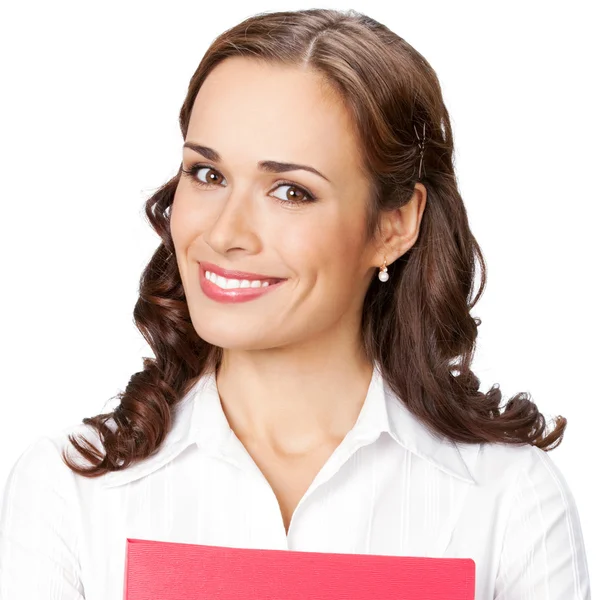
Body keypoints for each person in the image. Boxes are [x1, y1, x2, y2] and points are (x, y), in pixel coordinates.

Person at [0, 7, 591, 599]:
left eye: (291, 191)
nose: (227, 233)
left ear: (393, 224)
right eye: (207, 174)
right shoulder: (70, 489)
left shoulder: (510, 502)